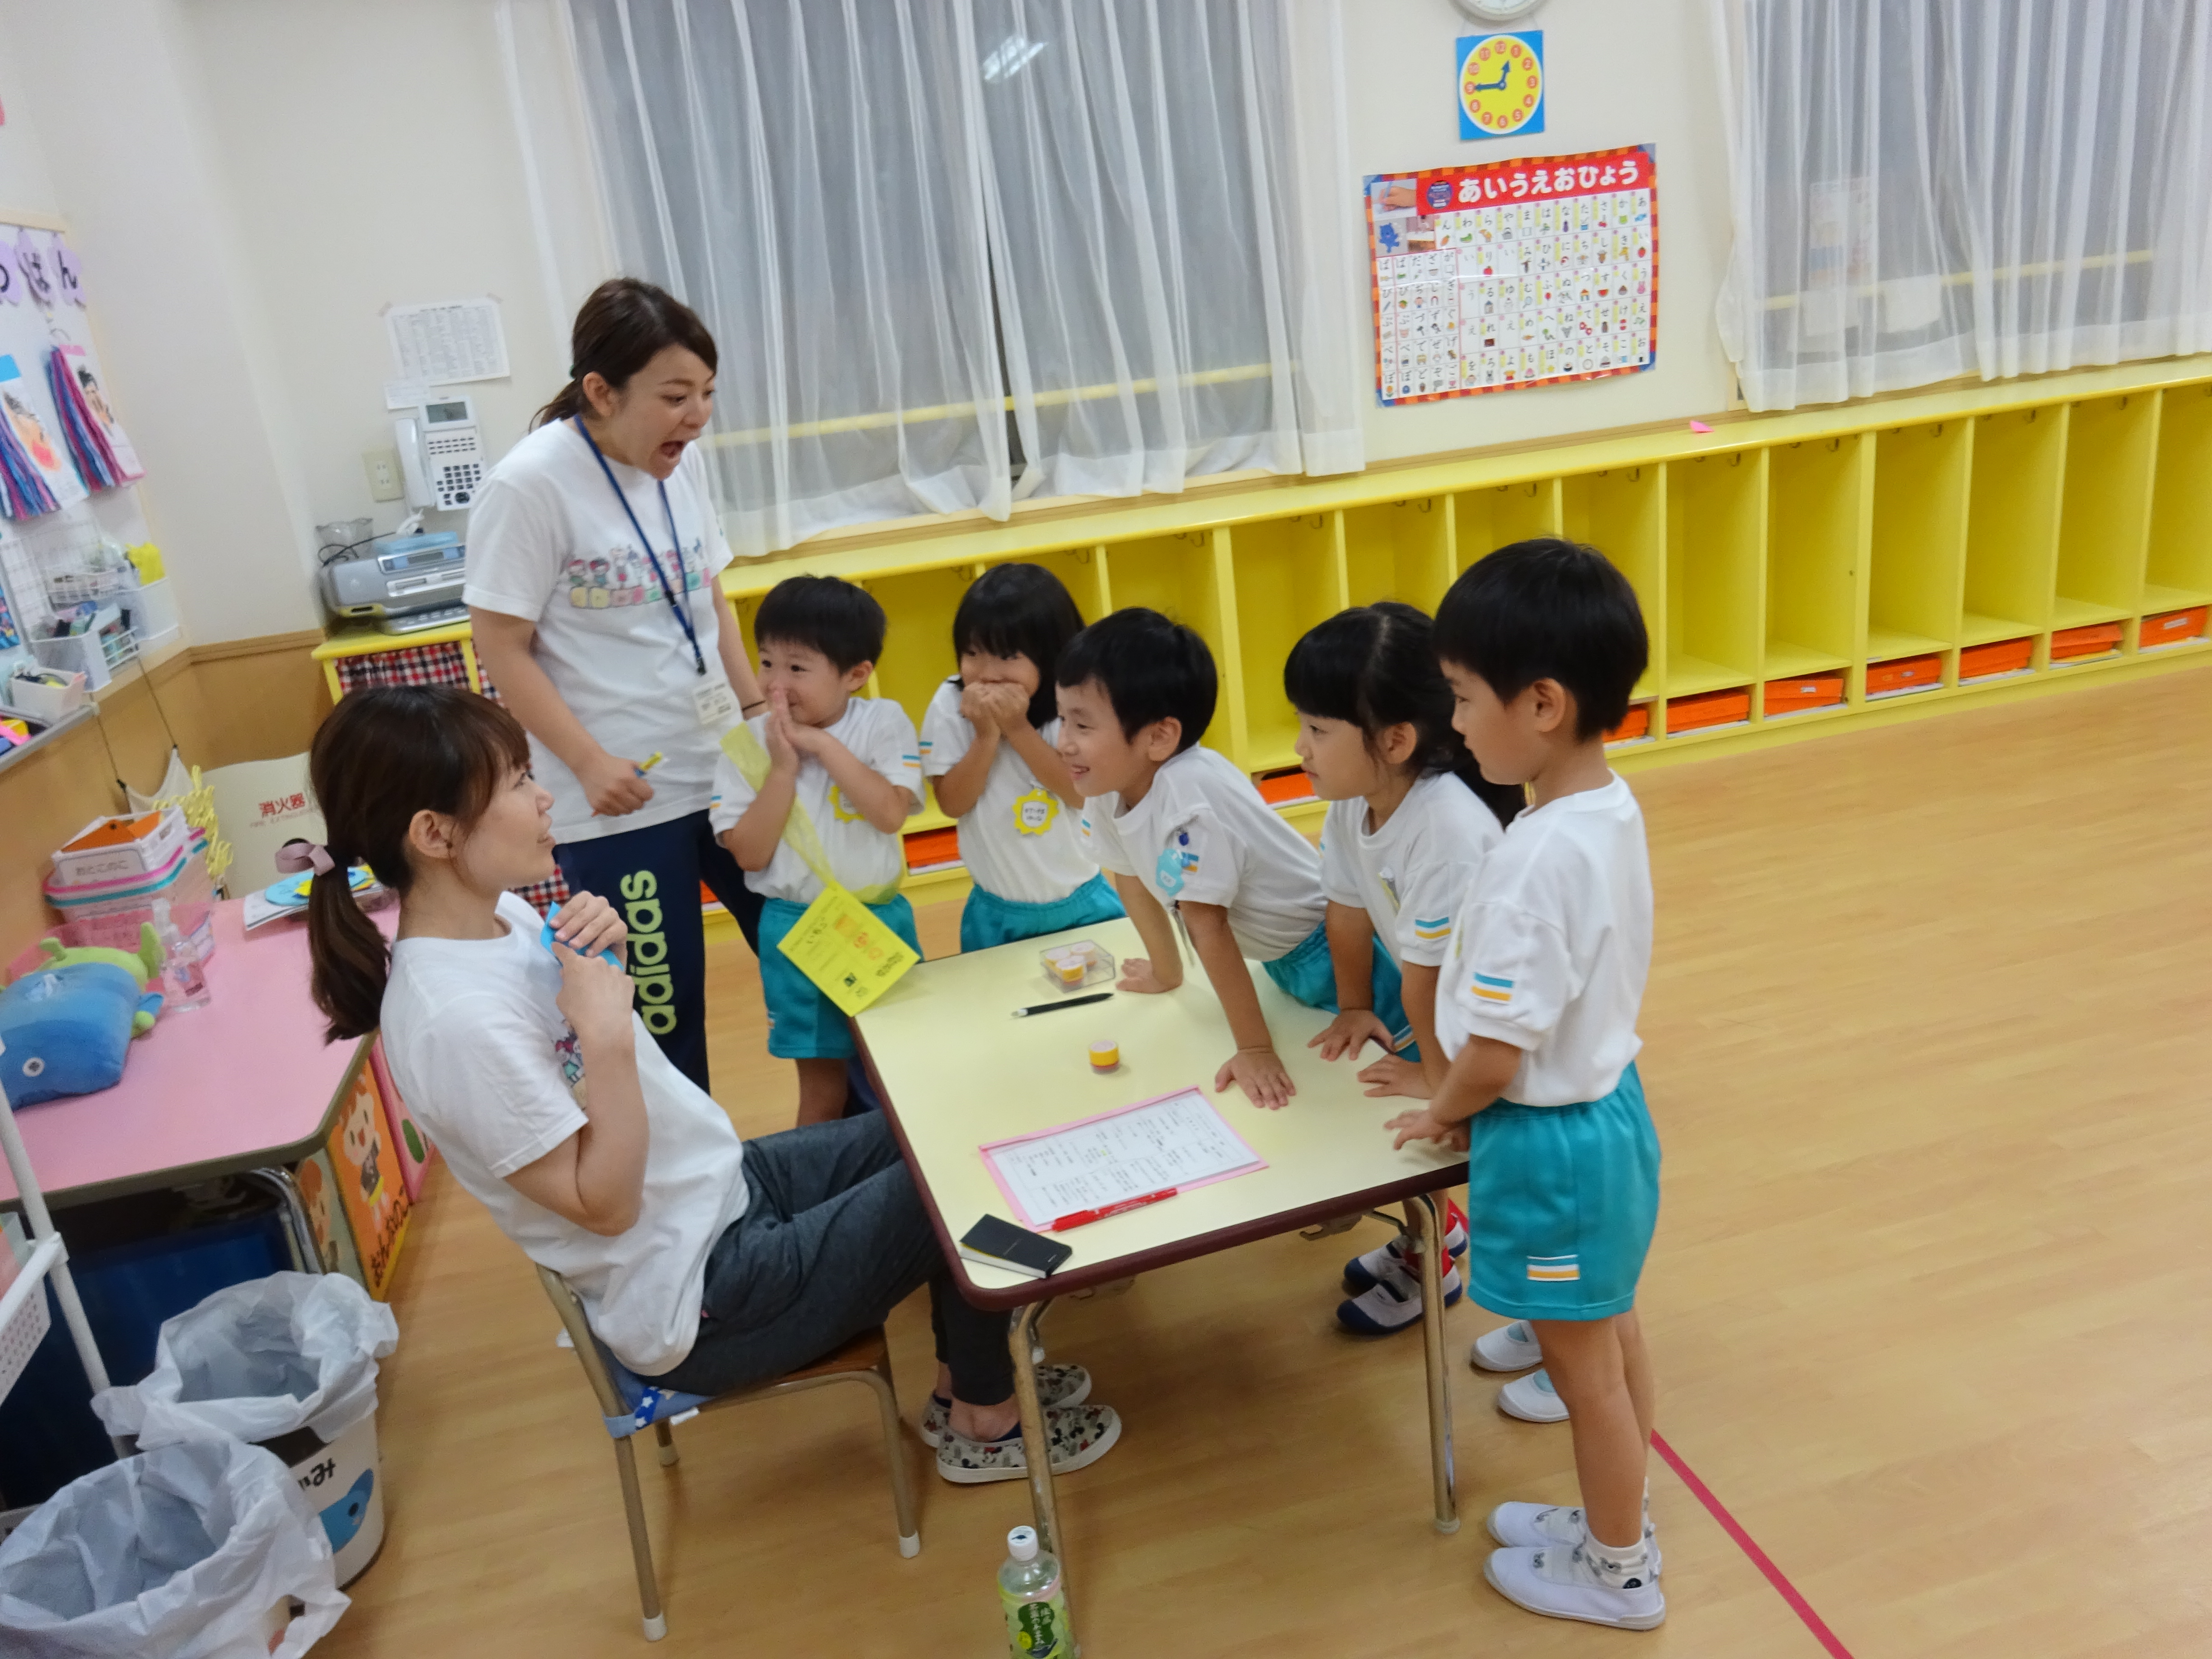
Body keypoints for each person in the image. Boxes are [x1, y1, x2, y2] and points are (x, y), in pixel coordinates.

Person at [301, 685, 1121, 1486]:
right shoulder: (451, 1021)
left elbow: (586, 1061)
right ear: (435, 833)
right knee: (956, 1181)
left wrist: (610, 960)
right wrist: (607, 1032)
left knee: (944, 1122)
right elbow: (604, 1204)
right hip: (702, 1292)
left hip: (720, 1192)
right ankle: (985, 1422)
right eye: (517, 782)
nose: (544, 796)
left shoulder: (500, 917)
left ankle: (965, 1387)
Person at [1387, 539, 1663, 1630]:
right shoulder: (1603, 807)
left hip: (1554, 1146)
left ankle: (1619, 1570)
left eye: (1463, 697)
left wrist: (1441, 1106)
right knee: (1612, 1338)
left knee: (1583, 1370)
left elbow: (1498, 1052)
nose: (1454, 724)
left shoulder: (1532, 860)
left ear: (1542, 704)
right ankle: (1621, 1521)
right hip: (1609, 1115)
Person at [466, 277, 765, 1094]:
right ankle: (689, 1173)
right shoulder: (529, 485)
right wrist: (589, 763)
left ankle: (863, 1139)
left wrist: (757, 715)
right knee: (665, 1015)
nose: (697, 416)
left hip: (728, 769)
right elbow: (500, 645)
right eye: (674, 396)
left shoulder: (682, 464)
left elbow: (711, 599)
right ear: (601, 391)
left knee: (812, 948)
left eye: (707, 393)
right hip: (623, 798)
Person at [1054, 608, 1403, 1111]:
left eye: (1083, 724)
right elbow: (1129, 876)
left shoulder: (1189, 797)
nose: (1064, 742)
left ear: (1159, 737)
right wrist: (1166, 972)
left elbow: (1207, 925)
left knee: (1394, 1075)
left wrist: (1254, 1049)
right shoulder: (1108, 785)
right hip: (1280, 959)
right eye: (1063, 719)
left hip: (1335, 952)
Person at [1283, 601, 1522, 1336]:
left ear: (1394, 740)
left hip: (1499, 1036)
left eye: (1319, 730)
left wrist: (1443, 1086)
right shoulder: (1356, 802)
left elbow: (1427, 982)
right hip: (1453, 1019)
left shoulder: (1445, 827)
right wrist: (1355, 1005)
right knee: (1402, 1126)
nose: (1300, 747)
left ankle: (1448, 1272)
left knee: (1491, 1177)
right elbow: (1347, 911)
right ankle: (1432, 1237)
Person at [711, 576, 923, 1125]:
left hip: (877, 920)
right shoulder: (747, 746)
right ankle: (820, 1176)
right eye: (766, 663)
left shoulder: (883, 722)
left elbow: (890, 813)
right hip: (796, 931)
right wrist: (783, 769)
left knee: (903, 1069)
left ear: (856, 675)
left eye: (797, 668)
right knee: (823, 1091)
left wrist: (824, 746)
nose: (776, 684)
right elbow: (749, 855)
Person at [921, 564, 1123, 951]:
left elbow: (1080, 794)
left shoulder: (1074, 703)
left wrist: (1017, 729)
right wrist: (986, 736)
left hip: (1083, 900)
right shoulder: (951, 703)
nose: (986, 673)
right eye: (972, 653)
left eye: (1007, 656)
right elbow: (952, 803)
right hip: (995, 912)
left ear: (1050, 655)